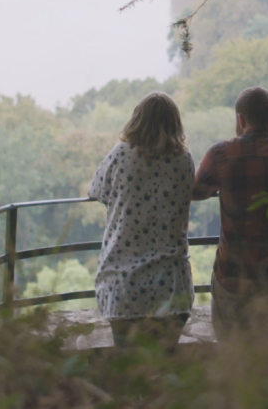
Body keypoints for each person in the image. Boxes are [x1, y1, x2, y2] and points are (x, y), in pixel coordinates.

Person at [192, 85, 268, 341]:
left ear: (240, 119)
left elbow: (195, 191)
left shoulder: (221, 154)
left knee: (231, 357)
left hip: (235, 277)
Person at [88, 92, 195, 348]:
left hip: (124, 284)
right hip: (171, 283)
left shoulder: (121, 155)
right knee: (164, 370)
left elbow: (96, 190)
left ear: (136, 119)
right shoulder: (184, 159)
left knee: (129, 372)